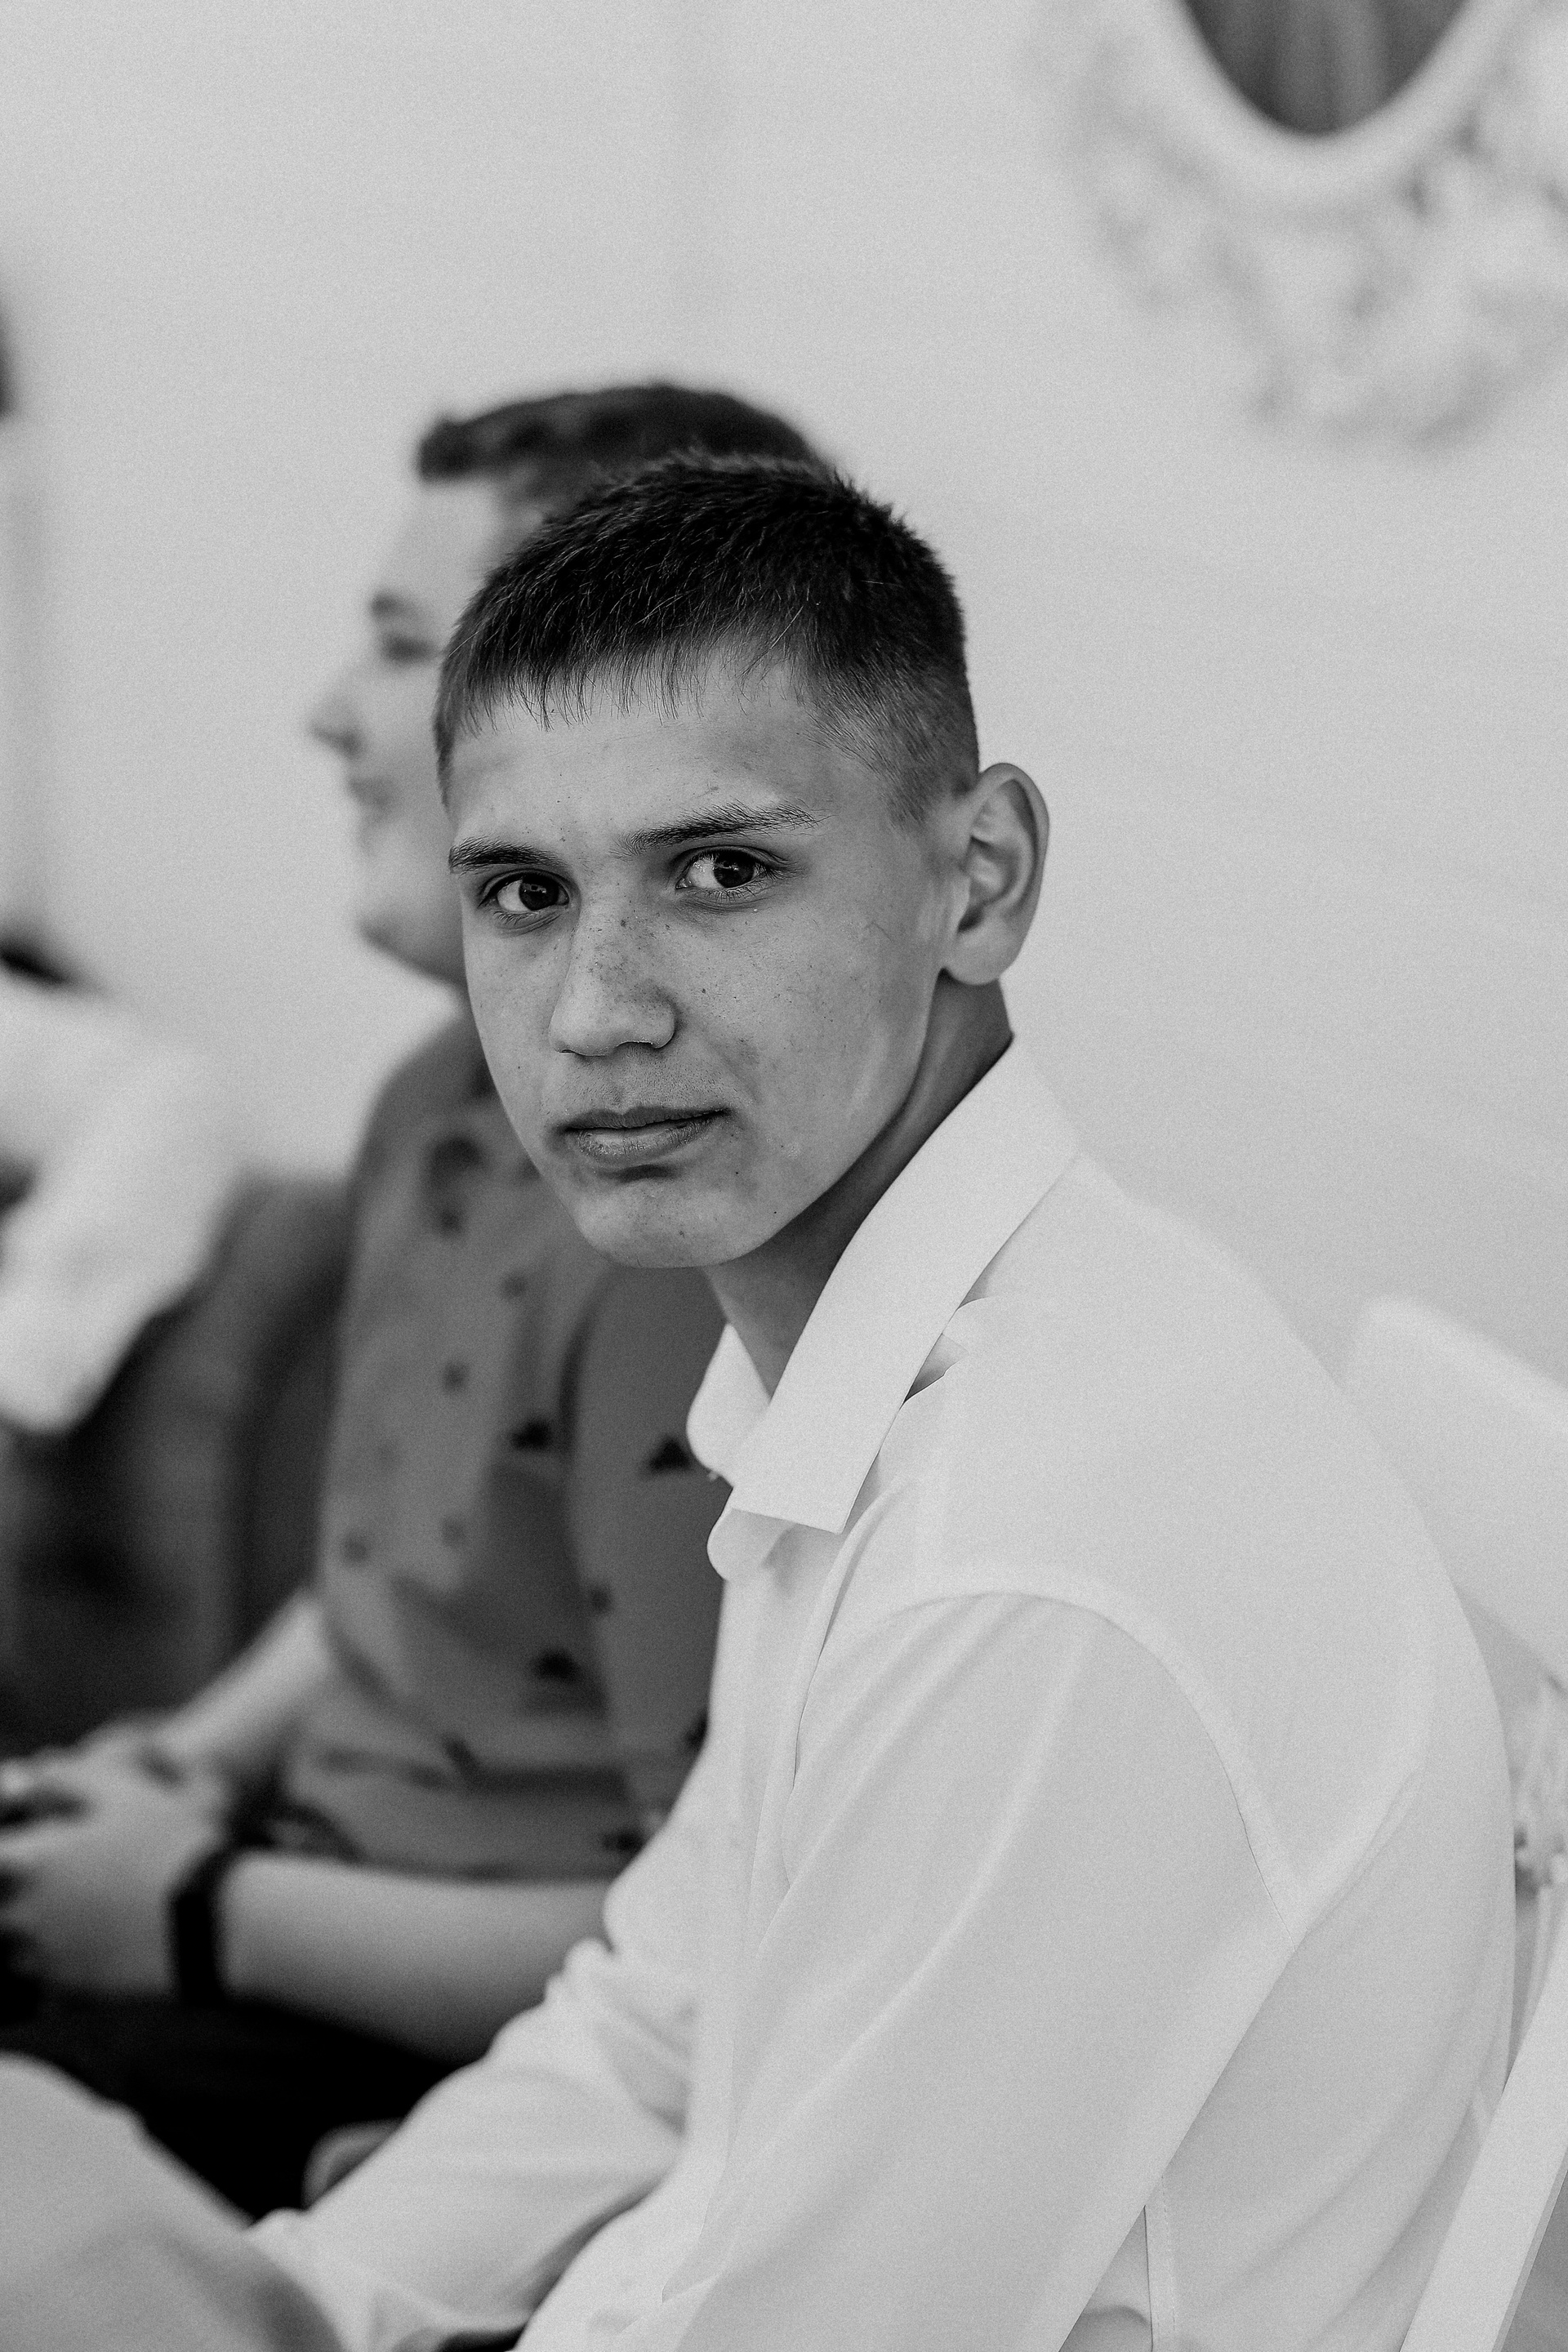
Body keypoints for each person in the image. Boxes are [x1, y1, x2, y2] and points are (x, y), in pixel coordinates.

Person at [0, 454, 1514, 2350]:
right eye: (526, 895)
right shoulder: (893, 1358)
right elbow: (661, 2024)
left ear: (981, 880)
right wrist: (292, 2301)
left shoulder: (1027, 1559)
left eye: (720, 873)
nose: (595, 1012)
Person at [0, 391, 821, 2219]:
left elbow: (706, 1955)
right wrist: (186, 1764)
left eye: (392, 643)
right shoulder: (428, 1113)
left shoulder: (662, 1252)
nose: (325, 712)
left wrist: (198, 1911)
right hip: (264, 1882)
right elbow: (385, 1577)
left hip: (422, 2049)